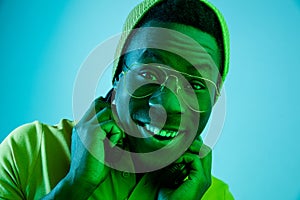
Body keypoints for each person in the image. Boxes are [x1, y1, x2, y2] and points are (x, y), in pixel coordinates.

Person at [0, 0, 234, 199]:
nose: (167, 106)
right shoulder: (30, 149)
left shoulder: (217, 195)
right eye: (148, 74)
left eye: (195, 86)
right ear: (117, 76)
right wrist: (75, 185)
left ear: (213, 100)